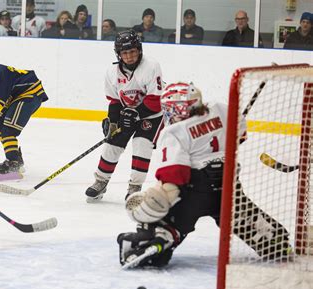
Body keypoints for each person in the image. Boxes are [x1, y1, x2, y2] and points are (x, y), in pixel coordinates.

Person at [119, 82, 290, 268]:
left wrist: (158, 199)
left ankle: (157, 241)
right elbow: (240, 135)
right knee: (243, 218)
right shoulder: (220, 109)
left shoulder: (174, 132)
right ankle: (275, 239)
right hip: (229, 186)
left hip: (195, 192)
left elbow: (175, 175)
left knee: (169, 223)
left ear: (179, 110)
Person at [85, 30, 164, 202]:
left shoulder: (151, 66)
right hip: (127, 112)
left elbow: (154, 101)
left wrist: (135, 114)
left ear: (139, 50)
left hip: (151, 115)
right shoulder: (112, 72)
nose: (129, 56)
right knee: (112, 144)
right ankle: (100, 181)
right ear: (119, 54)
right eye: (125, 53)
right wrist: (113, 122)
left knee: (142, 144)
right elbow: (114, 101)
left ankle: (135, 187)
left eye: (132, 51)